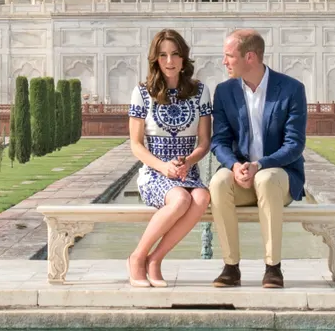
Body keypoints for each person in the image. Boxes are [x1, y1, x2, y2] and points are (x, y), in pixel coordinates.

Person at [207, 28, 307, 289]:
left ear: (249, 57)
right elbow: (219, 141)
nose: (224, 61)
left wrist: (260, 164)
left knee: (265, 178)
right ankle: (231, 267)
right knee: (218, 183)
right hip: (242, 176)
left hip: (279, 177)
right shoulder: (225, 91)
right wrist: (235, 165)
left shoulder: (290, 89)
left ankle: (273, 267)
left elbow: (294, 145)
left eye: (229, 55)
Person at [126, 28, 212, 288]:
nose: (169, 61)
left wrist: (188, 162)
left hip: (187, 171)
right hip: (155, 172)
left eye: (175, 54)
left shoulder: (200, 92)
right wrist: (164, 167)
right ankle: (137, 257)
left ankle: (155, 259)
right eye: (163, 55)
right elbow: (136, 145)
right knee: (180, 199)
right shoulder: (142, 93)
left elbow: (205, 142)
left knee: (202, 197)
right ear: (155, 59)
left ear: (184, 58)